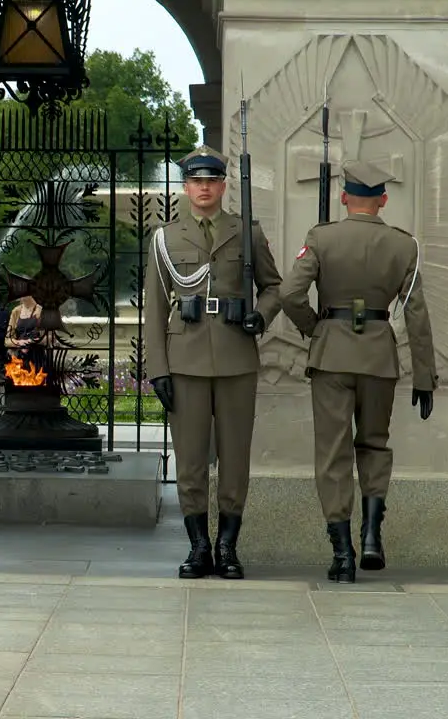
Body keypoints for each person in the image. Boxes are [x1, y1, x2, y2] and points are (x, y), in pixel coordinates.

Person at [280, 159, 437, 584]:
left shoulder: (322, 238)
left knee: (333, 453)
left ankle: (343, 553)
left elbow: (290, 293)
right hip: (379, 358)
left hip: (331, 356)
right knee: (374, 444)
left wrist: (316, 328)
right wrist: (425, 376)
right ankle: (371, 534)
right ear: (383, 200)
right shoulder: (404, 246)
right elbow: (417, 316)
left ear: (345, 197)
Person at [143, 144, 283, 581]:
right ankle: (198, 545)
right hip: (185, 359)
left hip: (236, 355)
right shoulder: (166, 238)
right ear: (186, 187)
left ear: (223, 185)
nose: (204, 188)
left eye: (211, 180)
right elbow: (154, 306)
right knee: (189, 457)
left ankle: (228, 544)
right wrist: (158, 370)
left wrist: (262, 315)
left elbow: (274, 287)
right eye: (196, 181)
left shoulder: (247, 233)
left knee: (235, 457)